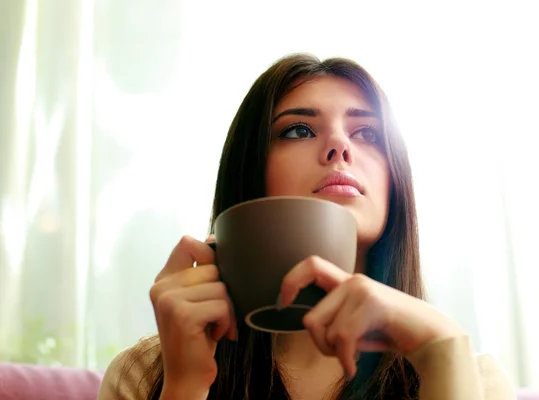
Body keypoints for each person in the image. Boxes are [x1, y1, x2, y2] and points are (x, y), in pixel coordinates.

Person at [98, 54, 515, 399]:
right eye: (299, 129)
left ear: (395, 181)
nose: (340, 146)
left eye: (368, 132)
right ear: (250, 171)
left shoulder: (474, 380)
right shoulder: (144, 375)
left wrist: (442, 350)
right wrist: (186, 385)